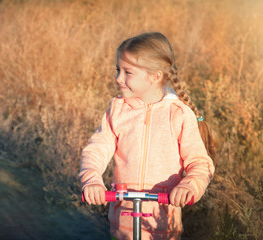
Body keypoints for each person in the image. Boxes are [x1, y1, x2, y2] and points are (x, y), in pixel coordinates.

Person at [78, 32, 219, 240]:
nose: (118, 78)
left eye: (127, 72)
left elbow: (200, 162)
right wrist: (92, 180)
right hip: (122, 223)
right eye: (118, 70)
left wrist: (189, 186)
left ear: (155, 76)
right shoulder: (118, 110)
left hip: (162, 225)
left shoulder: (178, 114)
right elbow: (97, 149)